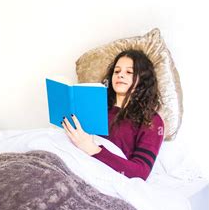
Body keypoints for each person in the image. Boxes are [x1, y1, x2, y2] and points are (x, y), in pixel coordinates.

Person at [62, 49, 164, 180]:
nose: (120, 75)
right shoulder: (95, 106)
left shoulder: (152, 121)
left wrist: (93, 149)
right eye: (117, 71)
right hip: (70, 161)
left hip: (101, 176)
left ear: (143, 79)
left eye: (129, 72)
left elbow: (141, 172)